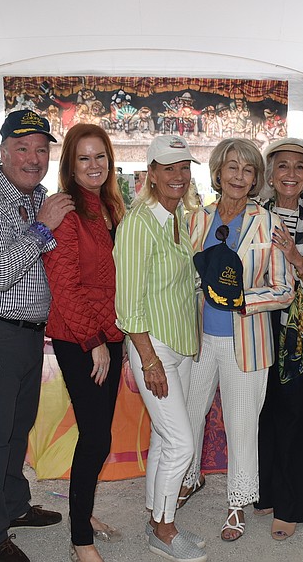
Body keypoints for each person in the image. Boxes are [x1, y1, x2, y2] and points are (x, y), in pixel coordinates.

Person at [0, 110, 73, 562]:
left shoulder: (40, 195)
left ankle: (15, 505)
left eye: (42, 149)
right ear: (2, 151)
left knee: (17, 427)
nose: (33, 157)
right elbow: (1, 274)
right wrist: (42, 226)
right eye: (22, 148)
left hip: (29, 334)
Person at [178, 138, 295, 543]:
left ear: (256, 179)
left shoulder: (268, 223)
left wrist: (244, 299)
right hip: (197, 339)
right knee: (187, 415)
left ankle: (236, 504)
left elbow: (285, 289)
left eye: (248, 170)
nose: (239, 176)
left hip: (246, 342)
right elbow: (183, 279)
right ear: (217, 172)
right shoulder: (196, 219)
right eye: (232, 168)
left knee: (240, 425)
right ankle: (189, 480)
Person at [114, 135, 207, 562]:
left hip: (180, 345)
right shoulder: (137, 224)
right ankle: (164, 530)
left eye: (184, 166)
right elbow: (128, 305)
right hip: (155, 348)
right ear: (150, 173)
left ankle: (157, 516)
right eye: (168, 167)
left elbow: (181, 286)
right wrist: (148, 360)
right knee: (182, 444)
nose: (179, 175)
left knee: (167, 439)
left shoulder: (177, 217)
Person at [42, 124, 125, 562]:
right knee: (96, 436)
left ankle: (83, 512)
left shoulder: (111, 205)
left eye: (100, 157)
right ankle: (80, 541)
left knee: (96, 435)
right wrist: (93, 341)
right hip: (81, 338)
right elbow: (65, 284)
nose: (94, 166)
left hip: (111, 334)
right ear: (70, 165)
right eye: (84, 159)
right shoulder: (66, 211)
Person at [253, 138, 303, 540]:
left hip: (299, 328)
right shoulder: (255, 214)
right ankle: (266, 489)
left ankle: (293, 503)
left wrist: (295, 257)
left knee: (296, 414)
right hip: (256, 322)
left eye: (298, 167)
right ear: (269, 174)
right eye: (281, 165)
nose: (289, 173)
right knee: (263, 409)